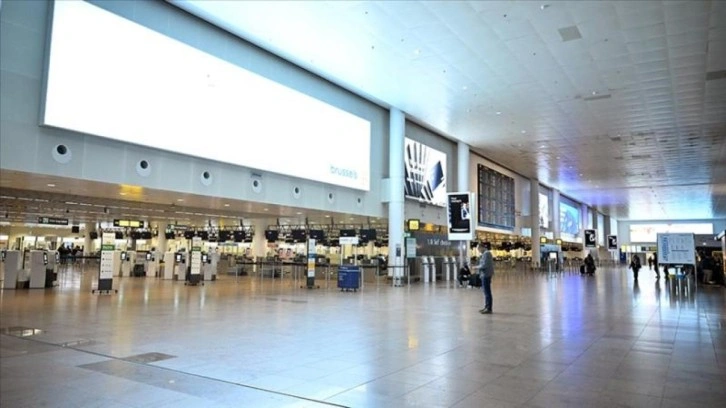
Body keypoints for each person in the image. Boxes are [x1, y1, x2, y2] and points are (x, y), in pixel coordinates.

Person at [474, 242, 495, 314]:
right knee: (486, 292)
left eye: (478, 249)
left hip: (486, 275)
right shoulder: (484, 254)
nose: (478, 250)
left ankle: (488, 308)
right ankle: (486, 307)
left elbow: (484, 265)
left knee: (487, 292)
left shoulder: (487, 254)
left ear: (482, 247)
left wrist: (476, 267)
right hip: (484, 275)